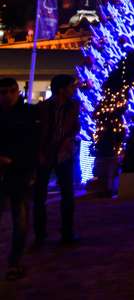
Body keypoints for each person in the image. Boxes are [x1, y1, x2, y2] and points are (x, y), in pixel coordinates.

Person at [33, 73, 80, 246]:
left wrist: (68, 140)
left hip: (63, 153)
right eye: (70, 86)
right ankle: (40, 234)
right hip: (45, 152)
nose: (73, 89)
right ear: (61, 89)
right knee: (40, 196)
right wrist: (39, 151)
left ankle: (67, 232)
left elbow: (74, 126)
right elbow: (37, 132)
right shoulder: (43, 107)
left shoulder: (74, 106)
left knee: (67, 194)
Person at [0, 78, 39, 281]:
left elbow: (32, 143)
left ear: (17, 92)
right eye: (3, 92)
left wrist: (15, 160)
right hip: (7, 168)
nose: (6, 96)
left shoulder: (28, 114)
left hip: (19, 170)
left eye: (10, 91)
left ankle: (15, 262)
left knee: (20, 219)